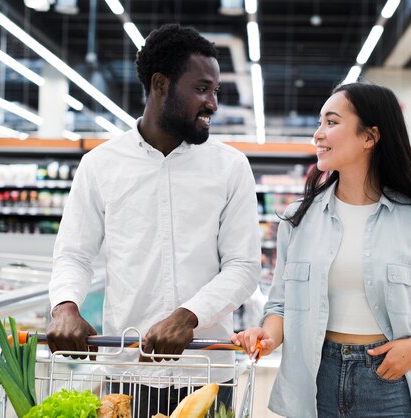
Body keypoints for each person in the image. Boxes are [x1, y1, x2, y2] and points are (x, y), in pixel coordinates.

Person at [46, 23, 261, 417]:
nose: (213, 102)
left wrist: (187, 316)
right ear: (161, 84)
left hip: (207, 372)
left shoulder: (230, 167)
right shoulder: (100, 165)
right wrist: (65, 307)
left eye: (216, 90)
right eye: (201, 89)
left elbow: (244, 266)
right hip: (127, 373)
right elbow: (75, 254)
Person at [232, 82, 411, 418]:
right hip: (317, 377)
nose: (318, 134)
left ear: (369, 137)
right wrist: (267, 334)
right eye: (319, 123)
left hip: (391, 377)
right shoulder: (298, 219)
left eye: (331, 122)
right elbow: (281, 304)